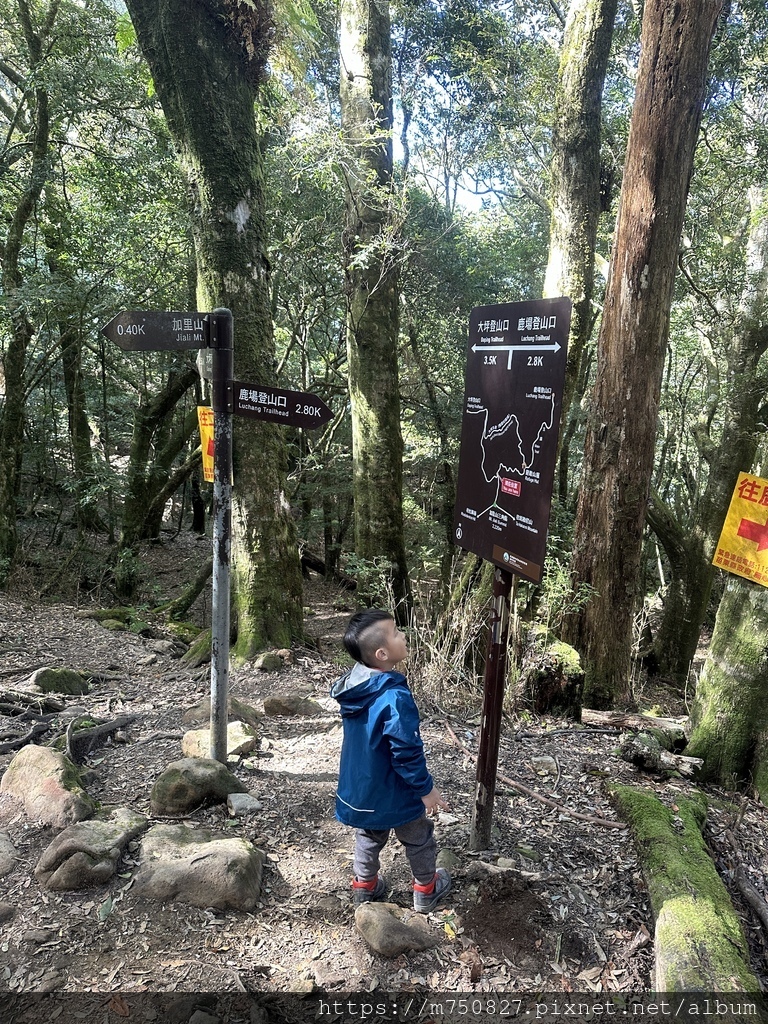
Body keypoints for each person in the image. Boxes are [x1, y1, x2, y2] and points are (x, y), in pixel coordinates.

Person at [330, 608, 452, 913]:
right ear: (382, 654)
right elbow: (405, 750)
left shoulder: (355, 689)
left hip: (362, 788)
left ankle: (365, 886)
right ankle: (426, 889)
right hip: (394, 790)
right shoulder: (393, 696)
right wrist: (426, 789)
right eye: (397, 632)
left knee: (369, 835)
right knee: (418, 837)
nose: (404, 635)